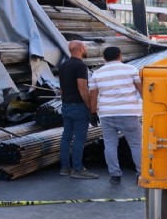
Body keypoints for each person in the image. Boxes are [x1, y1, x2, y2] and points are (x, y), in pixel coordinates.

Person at [89, 46, 143, 185]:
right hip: (128, 113)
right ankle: (141, 173)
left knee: (110, 145)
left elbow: (93, 95)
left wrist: (93, 112)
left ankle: (115, 175)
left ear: (104, 58)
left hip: (106, 114)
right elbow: (141, 89)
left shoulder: (97, 73)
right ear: (120, 56)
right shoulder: (131, 69)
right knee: (136, 144)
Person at [58, 40, 99, 179]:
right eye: (85, 46)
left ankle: (64, 168)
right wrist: (91, 108)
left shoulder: (63, 66)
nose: (86, 48)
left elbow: (62, 89)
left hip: (66, 105)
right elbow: (83, 88)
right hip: (79, 107)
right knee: (79, 139)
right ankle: (77, 169)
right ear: (81, 49)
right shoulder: (80, 66)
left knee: (66, 137)